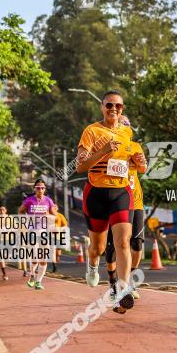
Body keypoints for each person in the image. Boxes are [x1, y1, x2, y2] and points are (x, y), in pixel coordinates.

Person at [76, 90, 144, 314]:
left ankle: (122, 290)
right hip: (96, 193)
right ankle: (92, 264)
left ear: (122, 109)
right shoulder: (91, 131)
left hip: (120, 193)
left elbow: (134, 164)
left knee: (123, 242)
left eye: (118, 106)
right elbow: (80, 166)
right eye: (109, 105)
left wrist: (137, 161)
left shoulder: (127, 132)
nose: (114, 109)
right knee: (98, 247)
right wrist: (104, 151)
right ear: (102, 107)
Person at [105, 116, 146, 301]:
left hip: (135, 202)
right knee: (114, 246)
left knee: (136, 244)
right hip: (114, 201)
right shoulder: (109, 144)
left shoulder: (136, 146)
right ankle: (114, 281)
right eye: (120, 124)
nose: (124, 127)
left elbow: (144, 168)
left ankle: (128, 280)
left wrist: (139, 161)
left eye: (127, 124)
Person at [19, 178, 55, 290]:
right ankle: (32, 275)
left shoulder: (48, 201)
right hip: (32, 232)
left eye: (42, 188)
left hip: (44, 232)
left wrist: (47, 216)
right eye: (38, 188)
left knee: (44, 258)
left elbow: (55, 216)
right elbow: (20, 212)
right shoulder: (29, 200)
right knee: (35, 256)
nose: (40, 190)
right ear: (34, 189)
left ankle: (38, 282)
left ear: (45, 189)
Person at [49, 204, 67, 273]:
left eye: (56, 206)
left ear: (58, 208)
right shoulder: (49, 215)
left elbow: (65, 225)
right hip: (51, 235)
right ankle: (54, 265)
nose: (54, 207)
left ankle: (57, 257)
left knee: (58, 251)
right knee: (53, 249)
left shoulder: (60, 215)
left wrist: (59, 229)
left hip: (59, 236)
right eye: (53, 206)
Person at [0, 205, 10, 281]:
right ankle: (4, 274)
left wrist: (9, 229)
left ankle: (6, 261)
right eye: (0, 210)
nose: (2, 211)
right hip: (0, 240)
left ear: (6, 210)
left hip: (9, 239)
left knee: (7, 257)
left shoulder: (10, 218)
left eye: (3, 209)